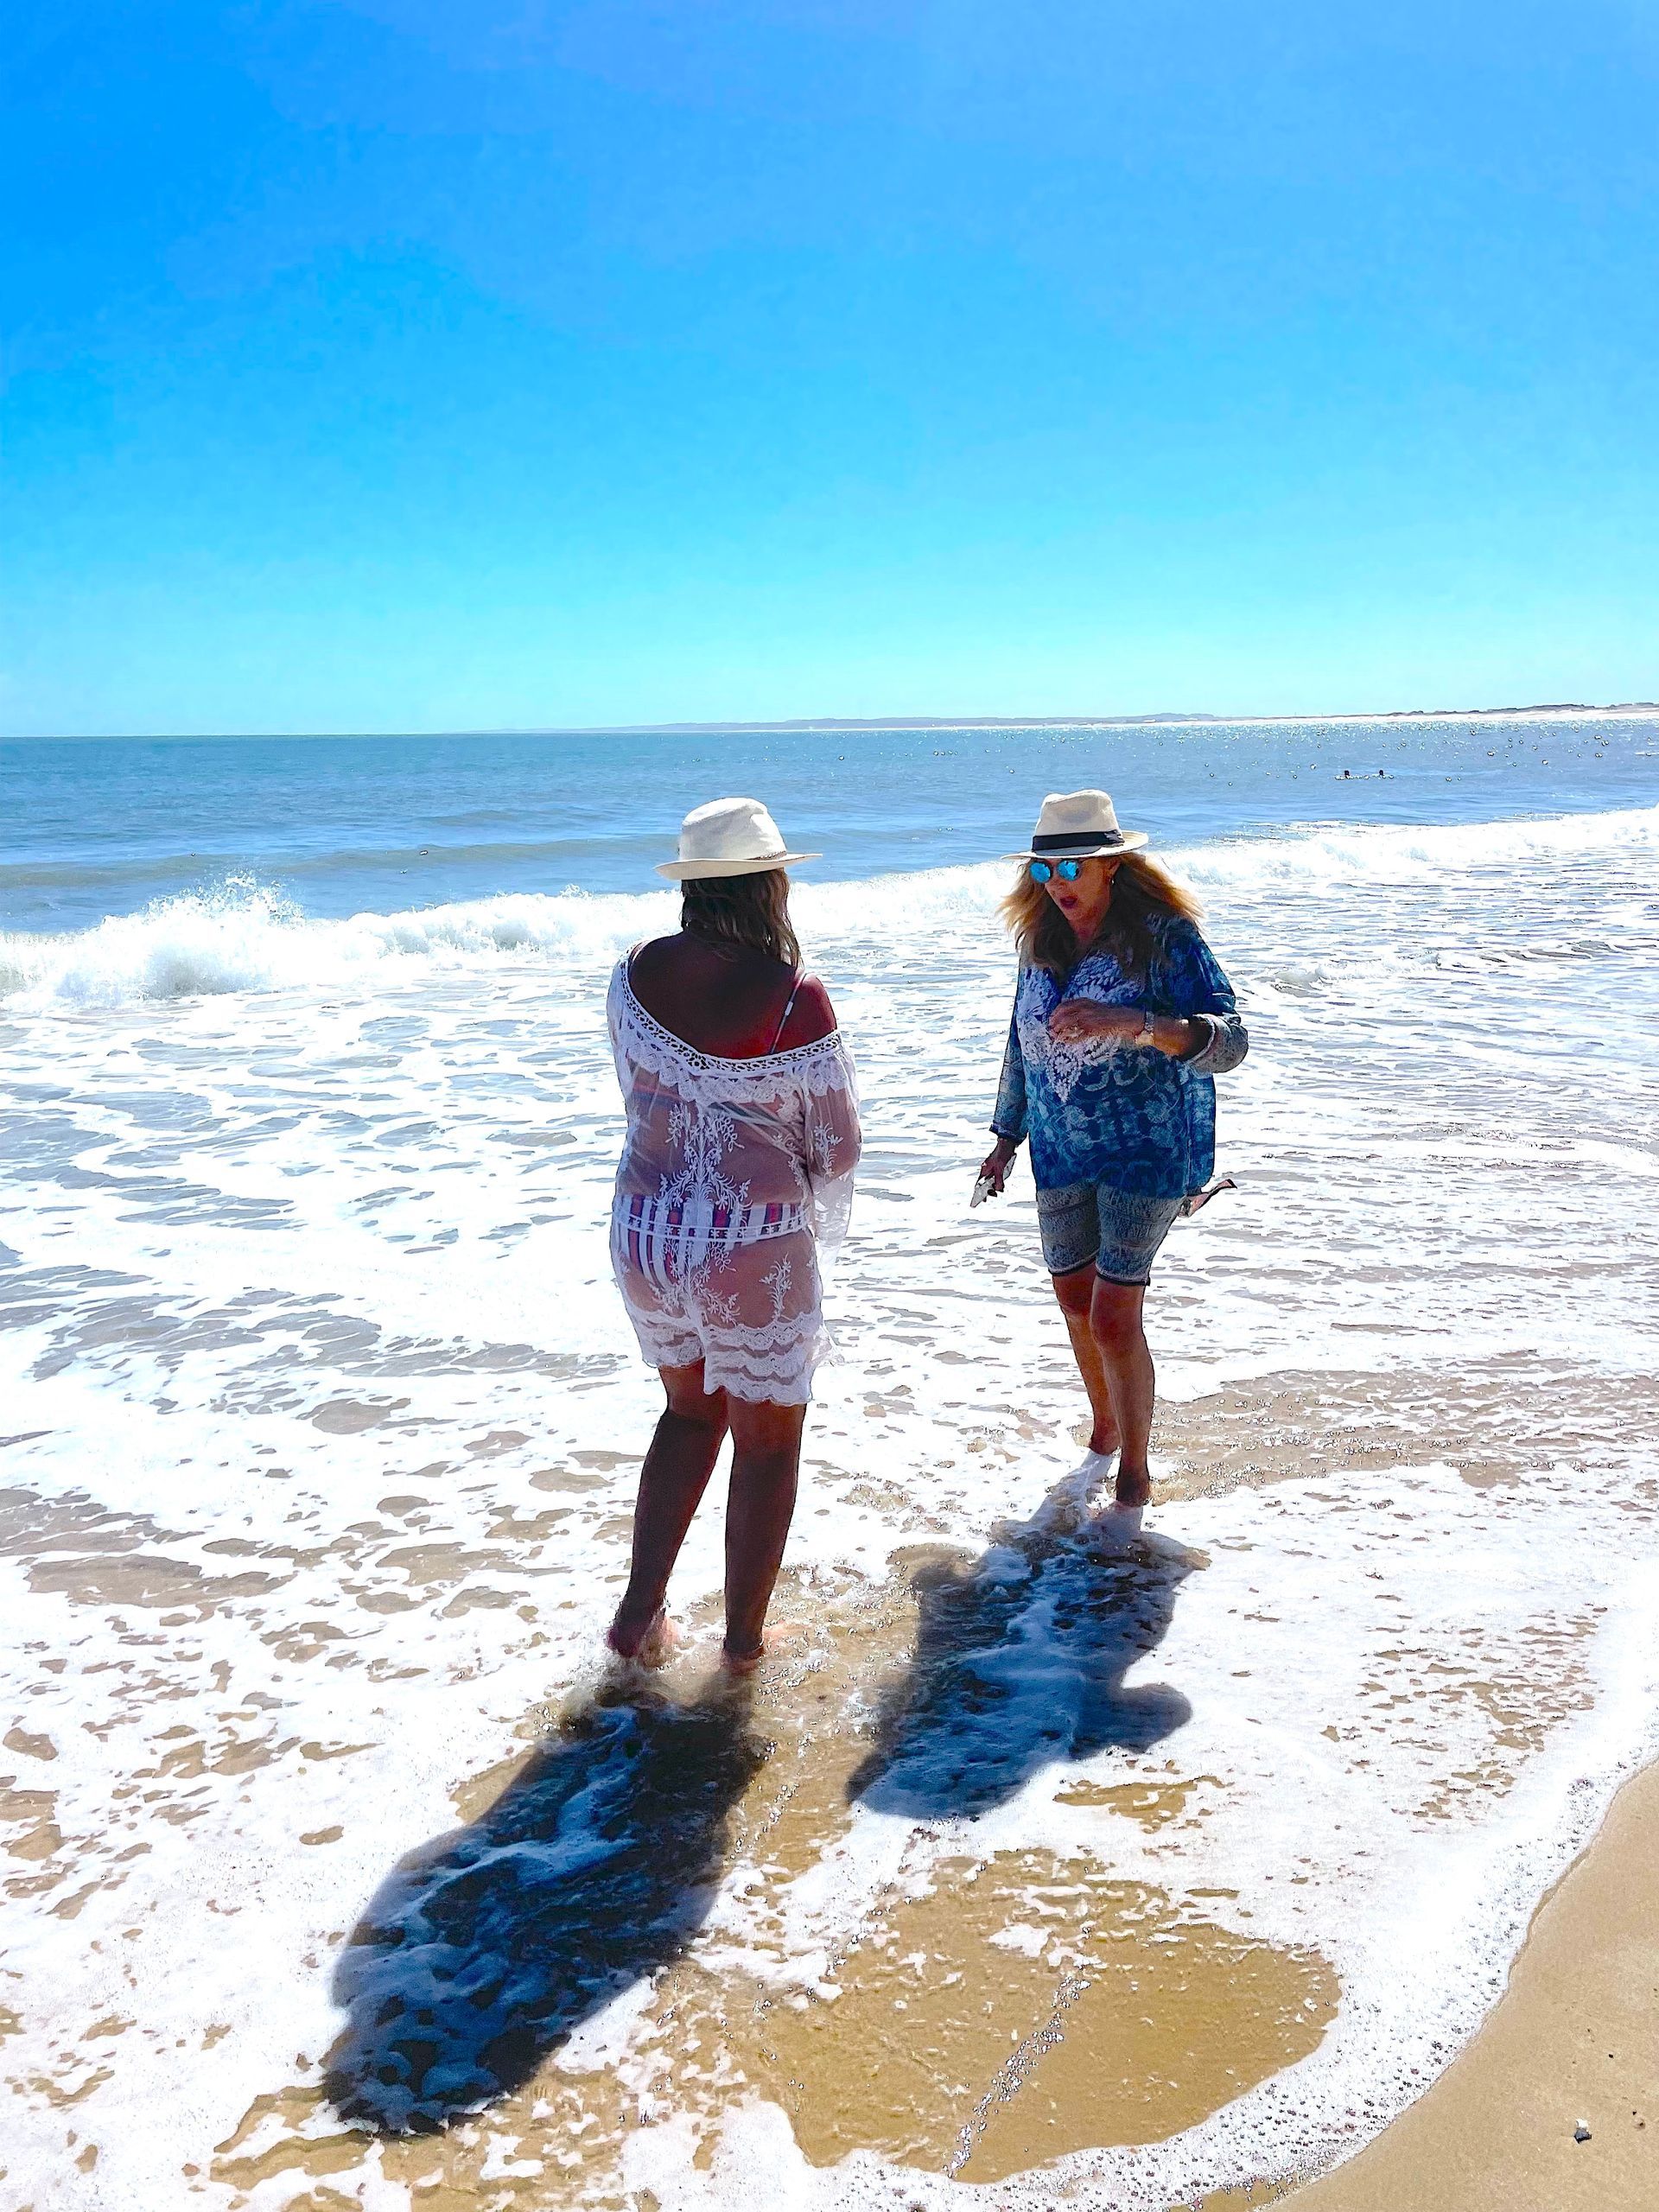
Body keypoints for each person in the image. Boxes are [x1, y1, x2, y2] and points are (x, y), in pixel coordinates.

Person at [605, 797, 861, 1672]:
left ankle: (639, 1618)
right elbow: (836, 1147)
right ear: (769, 885)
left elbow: (642, 1095)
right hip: (748, 1244)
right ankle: (742, 1648)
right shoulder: (795, 996)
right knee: (766, 1440)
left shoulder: (633, 974)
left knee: (686, 1412)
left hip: (644, 1231)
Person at [977, 790, 1248, 1522]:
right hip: (1060, 1151)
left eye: (1071, 867)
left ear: (1113, 868)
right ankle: (1103, 1424)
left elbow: (1231, 1039)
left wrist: (1135, 1023)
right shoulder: (1040, 942)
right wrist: (1005, 1137)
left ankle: (1134, 1467)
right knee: (1072, 1297)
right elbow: (1020, 1044)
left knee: (1112, 1313)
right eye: (1044, 870)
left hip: (1147, 1148)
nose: (1057, 883)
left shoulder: (1165, 939)